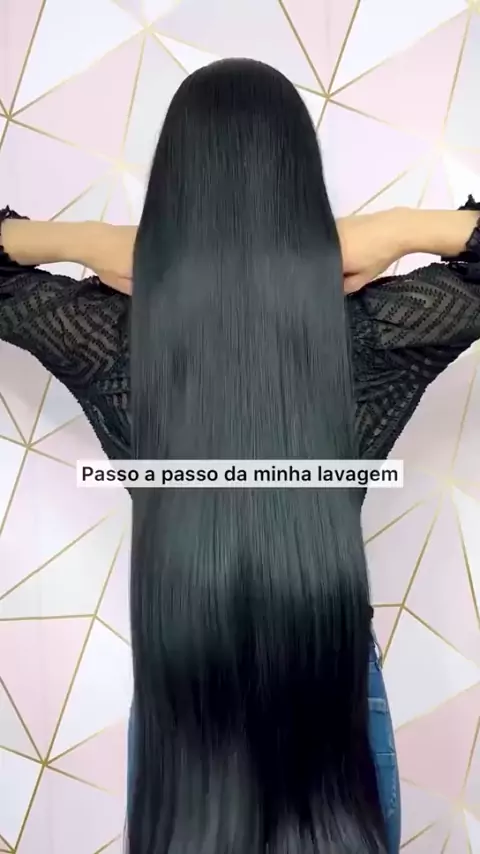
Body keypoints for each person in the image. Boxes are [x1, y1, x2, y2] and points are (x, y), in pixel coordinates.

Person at [0, 60, 479, 854]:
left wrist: (86, 243)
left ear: (176, 191)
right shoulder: (369, 339)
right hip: (331, 697)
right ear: (299, 183)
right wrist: (399, 228)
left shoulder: (119, 346)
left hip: (181, 713)